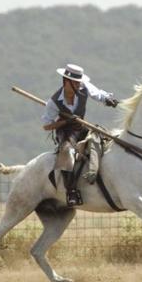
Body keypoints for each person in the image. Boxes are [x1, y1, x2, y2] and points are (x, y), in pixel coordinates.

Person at [41, 63, 119, 206]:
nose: (78, 86)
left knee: (103, 140)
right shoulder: (53, 102)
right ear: (66, 81)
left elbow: (98, 94)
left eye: (79, 82)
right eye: (75, 83)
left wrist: (108, 99)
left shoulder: (84, 87)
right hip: (66, 131)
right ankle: (71, 191)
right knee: (68, 152)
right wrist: (64, 121)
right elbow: (46, 126)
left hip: (81, 127)